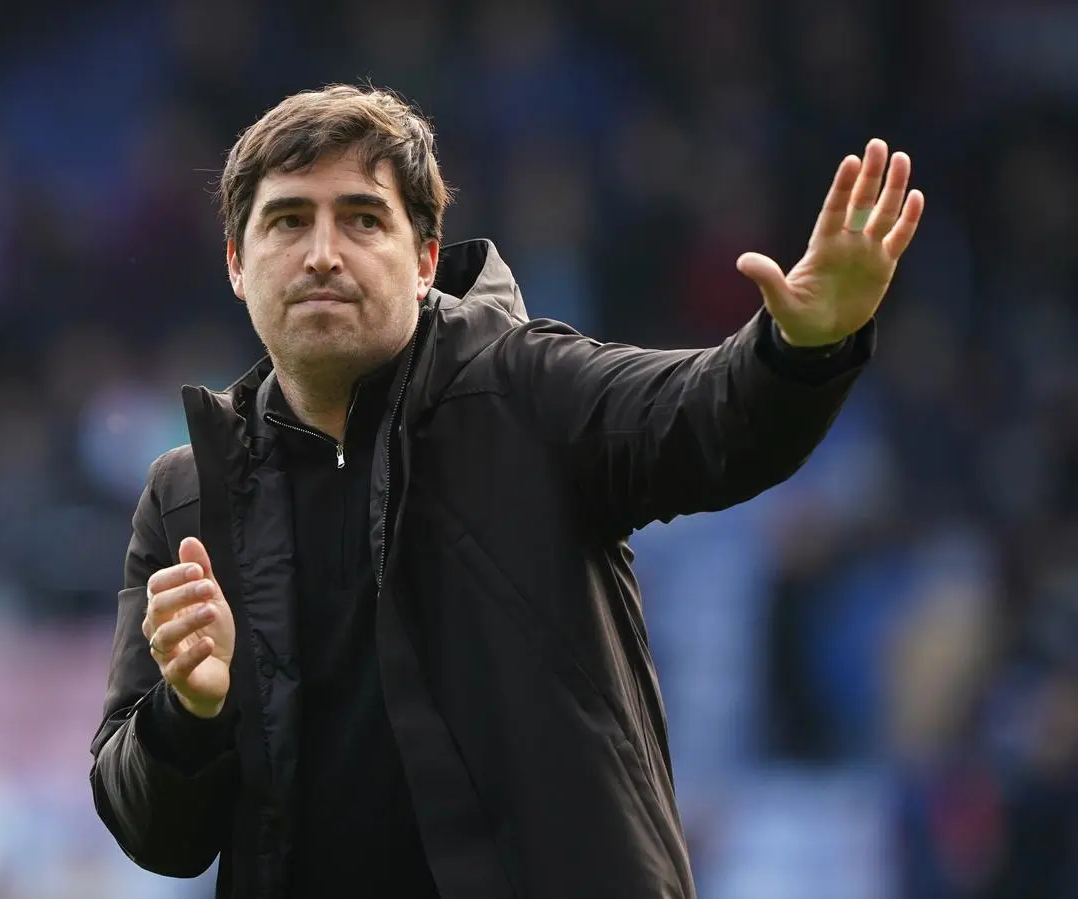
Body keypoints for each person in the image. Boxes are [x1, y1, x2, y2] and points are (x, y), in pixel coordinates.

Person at [88, 84, 924, 899]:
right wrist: (187, 712)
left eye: (362, 218)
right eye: (287, 220)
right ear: (238, 264)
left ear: (423, 262)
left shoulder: (526, 389)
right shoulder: (188, 497)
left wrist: (801, 346)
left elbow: (710, 419)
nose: (321, 253)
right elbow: (154, 831)